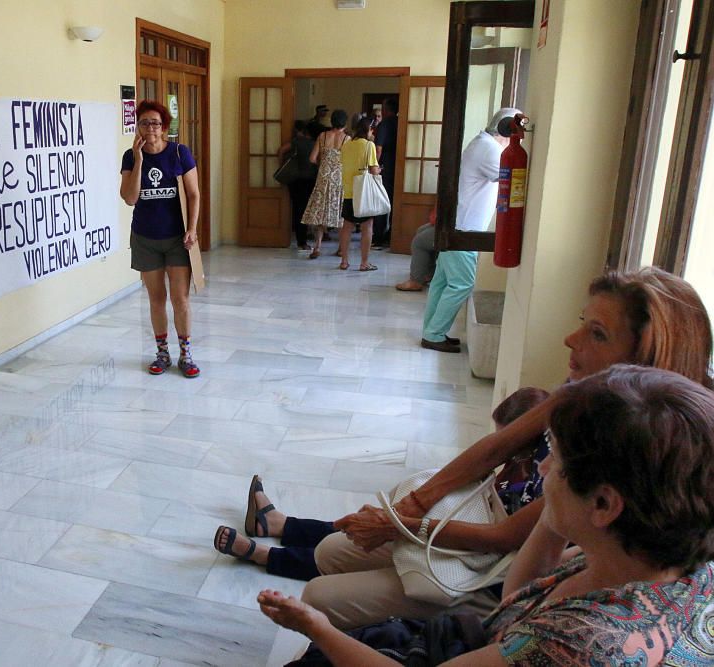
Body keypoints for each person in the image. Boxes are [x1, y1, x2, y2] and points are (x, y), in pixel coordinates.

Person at [214, 267, 713, 630]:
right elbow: (496, 446)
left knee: (323, 595)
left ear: (643, 359)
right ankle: (284, 540)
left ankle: (300, 581)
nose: (569, 337)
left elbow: (506, 541)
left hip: (494, 572)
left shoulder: (630, 454)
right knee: (332, 549)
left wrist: (401, 525)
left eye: (596, 333)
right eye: (582, 321)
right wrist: (415, 504)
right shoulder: (581, 397)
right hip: (473, 522)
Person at [259, 364, 714, 666]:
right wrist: (556, 517)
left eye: (557, 460)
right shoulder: (660, 563)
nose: (542, 467)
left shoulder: (572, 645)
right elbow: (517, 601)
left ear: (604, 505)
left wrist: (314, 627)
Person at [212, 385, 548, 582]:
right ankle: (279, 524)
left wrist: (407, 525)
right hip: (448, 530)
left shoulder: (542, 485)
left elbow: (499, 541)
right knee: (361, 526)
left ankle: (265, 555)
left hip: (470, 558)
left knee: (343, 552)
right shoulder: (515, 466)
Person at [421, 108, 520, 353]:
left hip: (457, 223)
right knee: (462, 284)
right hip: (464, 228)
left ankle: (431, 330)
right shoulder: (489, 149)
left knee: (442, 282)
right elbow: (511, 175)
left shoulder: (481, 143)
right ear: (507, 128)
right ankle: (434, 334)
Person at [119, 100, 201, 378]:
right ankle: (162, 352)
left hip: (178, 238)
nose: (150, 128)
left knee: (180, 299)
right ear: (138, 127)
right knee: (156, 298)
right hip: (145, 237)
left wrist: (192, 228)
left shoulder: (179, 153)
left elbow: (193, 194)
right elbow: (130, 198)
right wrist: (140, 160)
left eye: (155, 123)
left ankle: (186, 353)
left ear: (164, 127)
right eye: (144, 123)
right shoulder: (131, 157)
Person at [301, 110, 349, 259]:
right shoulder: (346, 138)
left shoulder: (322, 136)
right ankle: (341, 248)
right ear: (344, 123)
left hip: (323, 178)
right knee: (340, 213)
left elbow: (312, 158)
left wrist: (323, 164)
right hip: (339, 180)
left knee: (320, 214)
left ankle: (317, 247)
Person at [338, 116, 380, 271]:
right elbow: (374, 170)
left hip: (348, 190)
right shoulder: (369, 146)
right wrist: (379, 170)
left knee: (347, 226)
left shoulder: (347, 145)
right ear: (369, 130)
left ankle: (344, 261)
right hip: (363, 191)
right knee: (367, 226)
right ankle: (364, 263)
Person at [278, 121, 318, 250]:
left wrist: (282, 165)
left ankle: (301, 240)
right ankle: (304, 239)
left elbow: (281, 150)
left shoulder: (296, 142)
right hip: (309, 180)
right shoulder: (315, 144)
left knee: (297, 209)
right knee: (306, 210)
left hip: (294, 179)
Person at [371, 98, 398, 250]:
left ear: (386, 110)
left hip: (385, 168)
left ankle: (379, 237)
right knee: (395, 202)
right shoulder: (402, 121)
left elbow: (378, 148)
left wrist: (375, 166)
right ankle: (392, 236)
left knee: (381, 202)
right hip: (400, 169)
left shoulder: (385, 124)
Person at [395, 207, 437, 292]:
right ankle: (428, 274)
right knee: (421, 230)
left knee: (419, 242)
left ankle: (416, 281)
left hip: (456, 227)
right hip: (450, 224)